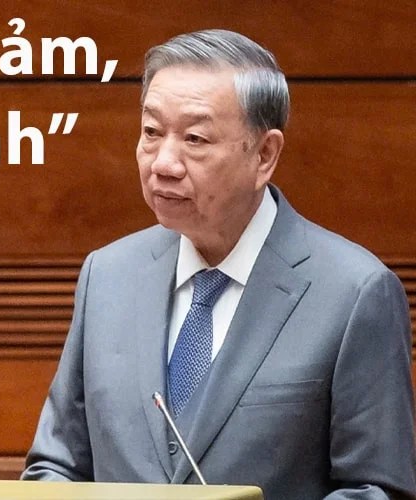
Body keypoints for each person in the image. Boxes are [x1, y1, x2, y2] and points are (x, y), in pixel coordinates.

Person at [21, 29, 416, 499]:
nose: (163, 163)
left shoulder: (354, 293)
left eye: (195, 138)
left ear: (264, 155)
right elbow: (57, 465)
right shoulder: (107, 276)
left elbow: (375, 489)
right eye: (151, 132)